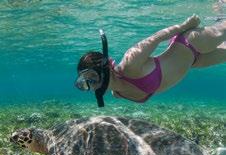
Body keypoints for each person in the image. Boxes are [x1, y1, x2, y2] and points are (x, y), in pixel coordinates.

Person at [75, 15, 226, 107]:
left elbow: (156, 38)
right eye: (85, 84)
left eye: (91, 78)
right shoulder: (118, 94)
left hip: (191, 42)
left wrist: (185, 25)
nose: (92, 86)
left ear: (105, 66)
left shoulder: (130, 62)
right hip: (194, 61)